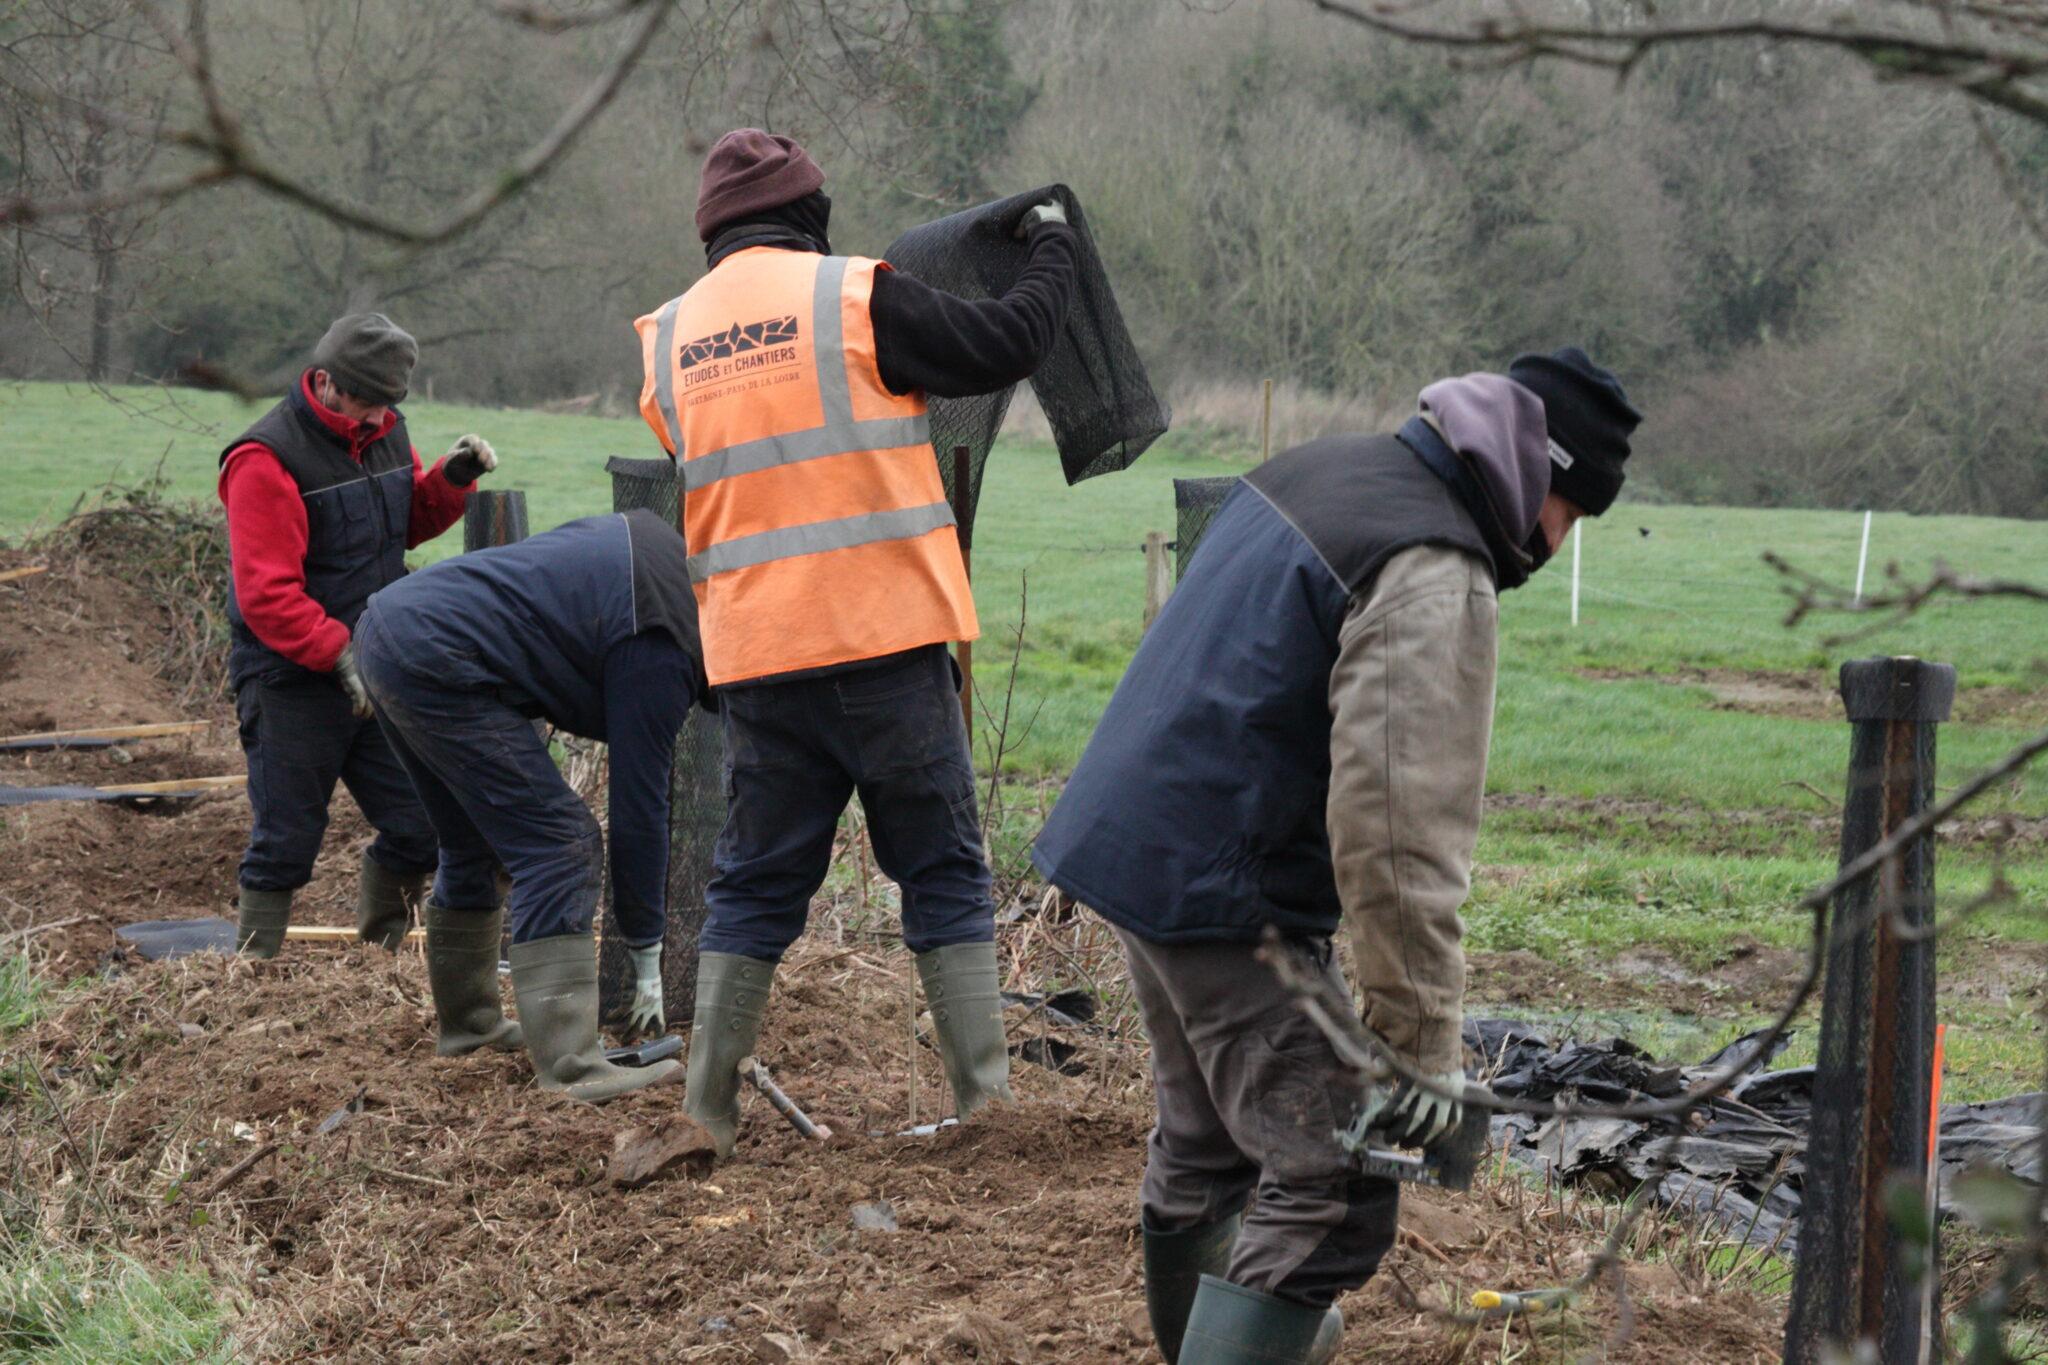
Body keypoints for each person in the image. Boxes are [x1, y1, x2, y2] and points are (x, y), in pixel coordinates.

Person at [1031, 349, 1642, 1363]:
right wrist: (1416, 1055)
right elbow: (1399, 838)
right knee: (1336, 1189)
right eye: (1570, 514)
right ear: (1540, 476)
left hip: (1135, 848)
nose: (1556, 543)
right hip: (1226, 889)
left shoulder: (1320, 469)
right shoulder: (1431, 564)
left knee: (1208, 1143)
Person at [631, 129, 1078, 1155]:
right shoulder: (851, 297)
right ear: (808, 213)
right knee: (941, 868)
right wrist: (1052, 249)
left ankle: (703, 1111)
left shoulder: (664, 343)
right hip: (883, 640)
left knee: (751, 880)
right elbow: (1006, 343)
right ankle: (986, 1107)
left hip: (755, 657)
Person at [352, 510, 708, 1104]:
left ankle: (470, 1027)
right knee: (561, 843)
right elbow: (640, 812)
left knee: (472, 839)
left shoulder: (661, 563)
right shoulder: (664, 644)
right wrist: (647, 955)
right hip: (438, 655)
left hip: (390, 629)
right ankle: (571, 1066)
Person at [218, 313, 499, 959]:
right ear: (328, 382)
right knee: (286, 838)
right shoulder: (264, 459)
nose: (380, 419)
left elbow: (400, 525)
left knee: (420, 824)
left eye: (389, 406)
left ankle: (380, 962)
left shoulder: (387, 434)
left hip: (373, 661)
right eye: (369, 402)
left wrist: (449, 482)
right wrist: (337, 653)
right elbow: (267, 595)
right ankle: (251, 977)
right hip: (289, 675)